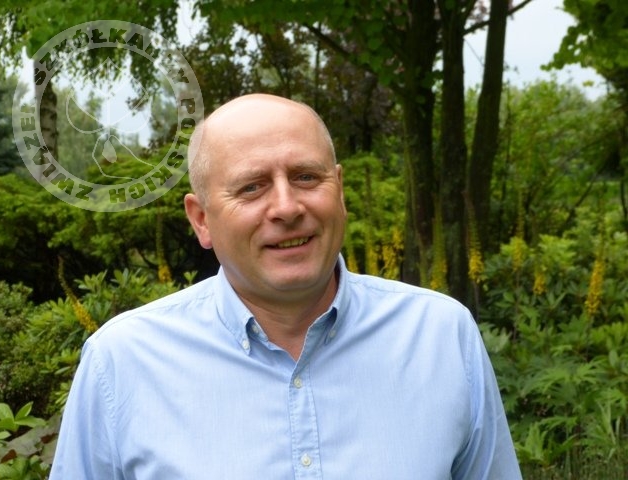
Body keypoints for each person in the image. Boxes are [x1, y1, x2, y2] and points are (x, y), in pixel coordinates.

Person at [49, 93, 522, 479]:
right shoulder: (122, 364)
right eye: (251, 187)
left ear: (339, 191)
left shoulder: (442, 336)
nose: (287, 207)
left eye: (306, 177)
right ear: (201, 220)